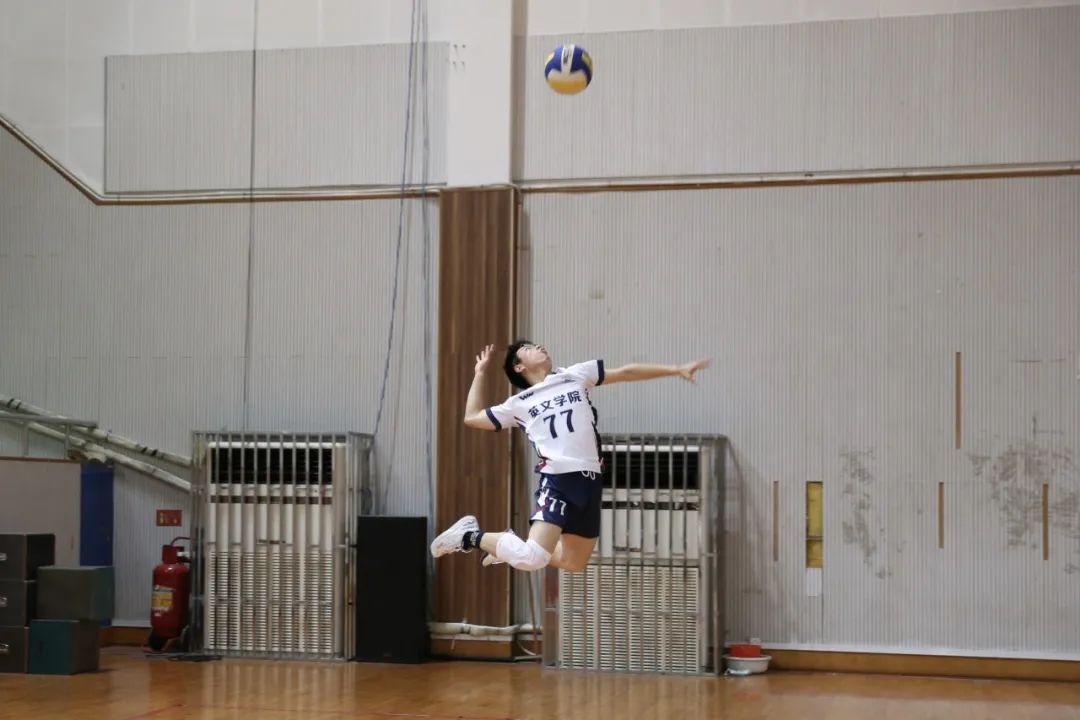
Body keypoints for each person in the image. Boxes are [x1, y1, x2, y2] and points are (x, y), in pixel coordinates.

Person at [430, 340, 710, 572]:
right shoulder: (518, 404)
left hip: (590, 482)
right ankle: (470, 536)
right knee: (531, 559)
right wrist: (480, 373)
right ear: (519, 367)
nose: (539, 346)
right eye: (528, 348)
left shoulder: (574, 375)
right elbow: (472, 417)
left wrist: (676, 369)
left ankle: (506, 546)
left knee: (573, 562)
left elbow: (626, 372)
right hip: (559, 480)